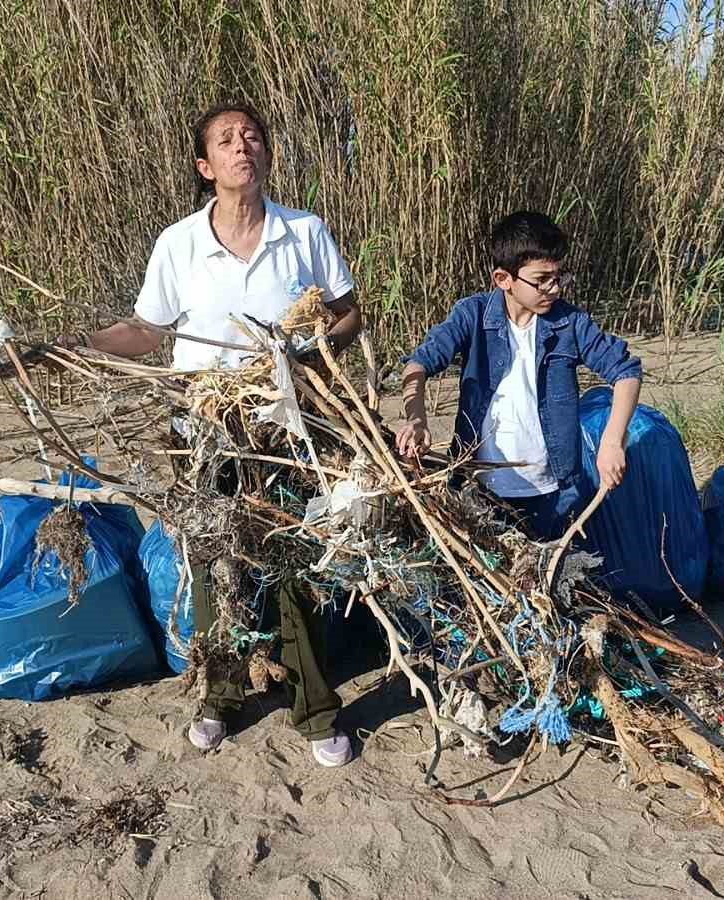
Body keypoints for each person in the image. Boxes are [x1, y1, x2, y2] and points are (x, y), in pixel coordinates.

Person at [64, 102, 360, 768]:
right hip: (203, 428)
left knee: (292, 561)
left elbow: (348, 314)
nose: (242, 146)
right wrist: (81, 344)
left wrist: (310, 354)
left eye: (252, 137)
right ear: (205, 166)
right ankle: (219, 698)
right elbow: (147, 331)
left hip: (286, 426)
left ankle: (315, 709)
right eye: (226, 140)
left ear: (267, 155)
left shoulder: (303, 232)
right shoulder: (179, 244)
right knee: (211, 561)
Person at [394, 211, 643, 541]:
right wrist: (416, 419)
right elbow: (418, 364)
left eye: (559, 276)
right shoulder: (473, 315)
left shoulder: (570, 323)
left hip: (554, 492)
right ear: (503, 279)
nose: (554, 288)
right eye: (542, 279)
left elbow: (626, 372)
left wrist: (612, 441)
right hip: (478, 489)